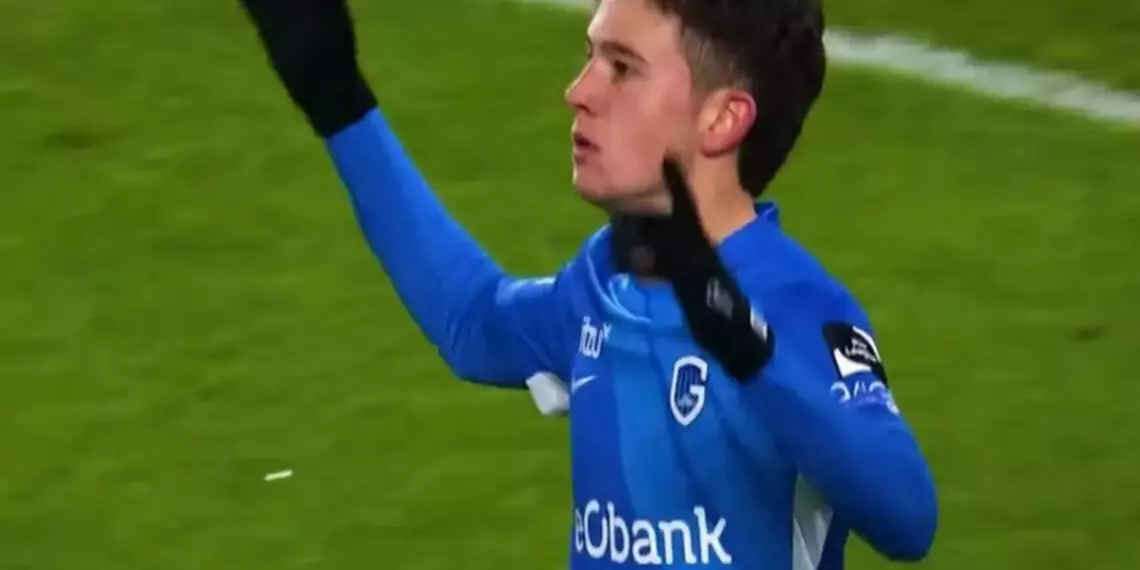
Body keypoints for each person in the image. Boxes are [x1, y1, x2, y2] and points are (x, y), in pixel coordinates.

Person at [237, 0, 939, 567]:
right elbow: (473, 323)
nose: (578, 93)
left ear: (723, 119)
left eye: (623, 68)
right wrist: (337, 99)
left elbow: (908, 519)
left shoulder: (798, 306)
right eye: (590, 57)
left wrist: (748, 351)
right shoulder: (606, 280)